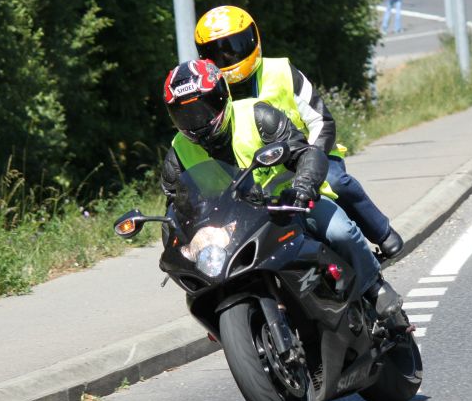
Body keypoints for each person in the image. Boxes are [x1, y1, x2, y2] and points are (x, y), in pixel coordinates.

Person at [159, 58, 407, 326]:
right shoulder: (178, 153)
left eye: (202, 109)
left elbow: (306, 153)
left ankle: (374, 287)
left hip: (291, 204)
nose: (196, 122)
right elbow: (175, 206)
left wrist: (303, 187)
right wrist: (182, 243)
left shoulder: (257, 115)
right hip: (239, 226)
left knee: (340, 231)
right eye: (185, 115)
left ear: (222, 97)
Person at [193, 5, 403, 259]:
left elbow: (322, 121)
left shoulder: (281, 72)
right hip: (260, 179)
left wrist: (310, 162)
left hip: (308, 156)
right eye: (216, 53)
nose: (227, 58)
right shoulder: (212, 93)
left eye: (234, 47)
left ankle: (381, 232)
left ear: (253, 38)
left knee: (336, 181)